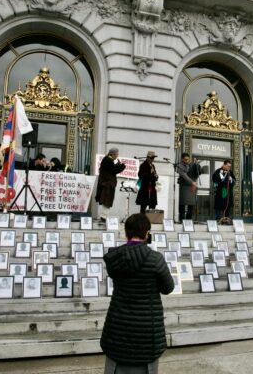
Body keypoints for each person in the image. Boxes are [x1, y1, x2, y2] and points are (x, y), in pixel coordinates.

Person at [101, 213, 174, 374]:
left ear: (126, 232)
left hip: (117, 326)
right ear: (147, 233)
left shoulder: (115, 257)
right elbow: (168, 288)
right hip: (147, 329)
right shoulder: (155, 259)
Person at [95, 148, 126, 221]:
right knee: (107, 200)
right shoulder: (108, 160)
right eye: (117, 154)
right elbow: (113, 171)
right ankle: (103, 216)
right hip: (107, 184)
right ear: (112, 154)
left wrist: (117, 165)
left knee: (107, 200)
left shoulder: (107, 160)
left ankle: (104, 216)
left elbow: (111, 169)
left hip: (107, 184)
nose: (117, 156)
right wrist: (122, 166)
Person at [176, 153, 202, 221]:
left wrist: (197, 165)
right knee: (182, 204)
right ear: (182, 159)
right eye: (185, 159)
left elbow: (198, 172)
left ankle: (189, 220)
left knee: (191, 204)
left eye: (188, 159)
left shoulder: (192, 164)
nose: (187, 161)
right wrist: (192, 182)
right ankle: (181, 219)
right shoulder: (180, 165)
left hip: (191, 187)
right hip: (184, 186)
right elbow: (184, 175)